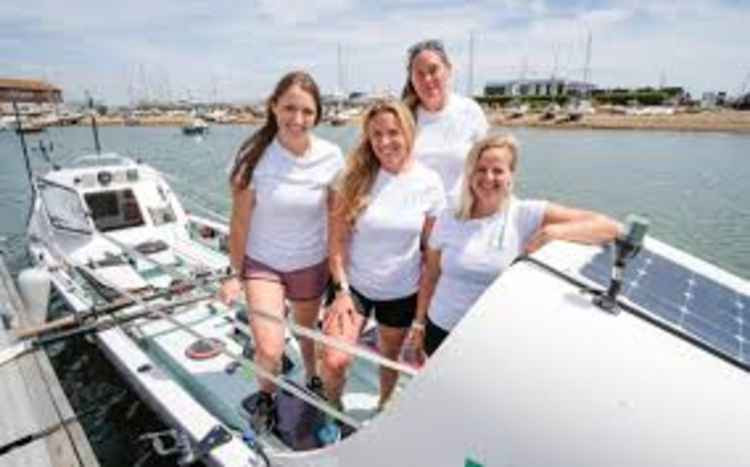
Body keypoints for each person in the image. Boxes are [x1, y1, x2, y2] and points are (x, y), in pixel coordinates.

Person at [412, 134, 621, 357]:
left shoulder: (526, 214)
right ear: (470, 173)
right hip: (439, 327)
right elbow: (431, 275)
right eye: (481, 169)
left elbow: (611, 227)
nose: (488, 177)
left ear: (511, 175)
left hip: (488, 338)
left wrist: (553, 232)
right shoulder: (450, 217)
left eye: (498, 170)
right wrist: (419, 323)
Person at [218, 71, 344, 430]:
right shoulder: (253, 156)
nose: (297, 119)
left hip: (310, 262)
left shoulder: (331, 157)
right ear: (273, 108)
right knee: (270, 349)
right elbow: (239, 223)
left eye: (307, 111)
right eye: (289, 108)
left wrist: (341, 281)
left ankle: (311, 376)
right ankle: (267, 397)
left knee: (307, 335)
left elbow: (338, 221)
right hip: (263, 265)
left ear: (317, 115)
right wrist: (233, 274)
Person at [321, 99, 446, 412]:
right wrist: (342, 292)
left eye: (393, 132)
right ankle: (334, 408)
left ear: (408, 132)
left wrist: (420, 317)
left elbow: (430, 255)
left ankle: (384, 404)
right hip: (355, 288)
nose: (384, 141)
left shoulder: (429, 183)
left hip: (402, 291)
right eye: (376, 134)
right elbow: (335, 243)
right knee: (335, 360)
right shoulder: (353, 177)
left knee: (389, 356)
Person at [402, 39, 489, 202]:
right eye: (419, 74)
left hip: (461, 214)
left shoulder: (470, 111)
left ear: (448, 70)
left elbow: (488, 166)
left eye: (433, 70)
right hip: (413, 214)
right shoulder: (404, 117)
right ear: (411, 80)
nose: (427, 79)